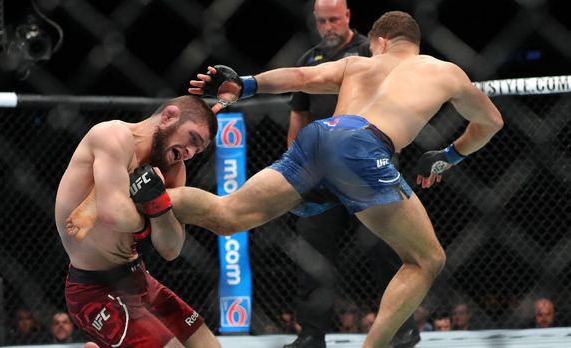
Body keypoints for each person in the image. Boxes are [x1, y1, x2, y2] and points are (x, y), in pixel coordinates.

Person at [180, 10, 503, 348]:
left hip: (320, 137)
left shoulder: (358, 64)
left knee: (228, 215)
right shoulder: (444, 71)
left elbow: (299, 76)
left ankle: (155, 195)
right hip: (363, 147)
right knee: (427, 259)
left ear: (379, 41)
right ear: (414, 44)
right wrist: (448, 156)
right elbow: (491, 121)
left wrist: (247, 84)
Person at [285, 1, 418, 347]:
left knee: (386, 248)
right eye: (321, 21)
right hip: (320, 168)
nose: (327, 26)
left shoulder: (372, 52)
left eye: (333, 19)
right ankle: (312, 334)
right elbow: (298, 116)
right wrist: (295, 164)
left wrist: (390, 154)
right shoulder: (309, 59)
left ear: (347, 17)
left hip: (367, 165)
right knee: (313, 249)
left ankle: (402, 329)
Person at [56, 95, 221, 347]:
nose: (188, 153)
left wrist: (158, 204)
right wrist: (152, 219)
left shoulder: (174, 169)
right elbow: (113, 214)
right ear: (169, 116)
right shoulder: (112, 135)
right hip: (95, 288)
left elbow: (171, 249)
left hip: (141, 278)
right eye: (192, 139)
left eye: (196, 151)